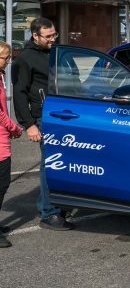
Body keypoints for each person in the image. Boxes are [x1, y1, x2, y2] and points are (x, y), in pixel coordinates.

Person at [12, 17, 74, 231]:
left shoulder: (59, 52)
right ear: (35, 36)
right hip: (45, 118)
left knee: (66, 163)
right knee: (51, 163)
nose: (52, 39)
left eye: (54, 35)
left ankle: (63, 202)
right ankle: (49, 212)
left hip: (69, 115)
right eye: (48, 36)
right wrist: (29, 124)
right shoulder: (25, 59)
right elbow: (19, 94)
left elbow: (75, 80)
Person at [0, 42, 23, 247]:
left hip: (2, 137)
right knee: (1, 184)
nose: (8, 62)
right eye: (5, 58)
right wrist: (13, 127)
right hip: (0, 139)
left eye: (8, 58)